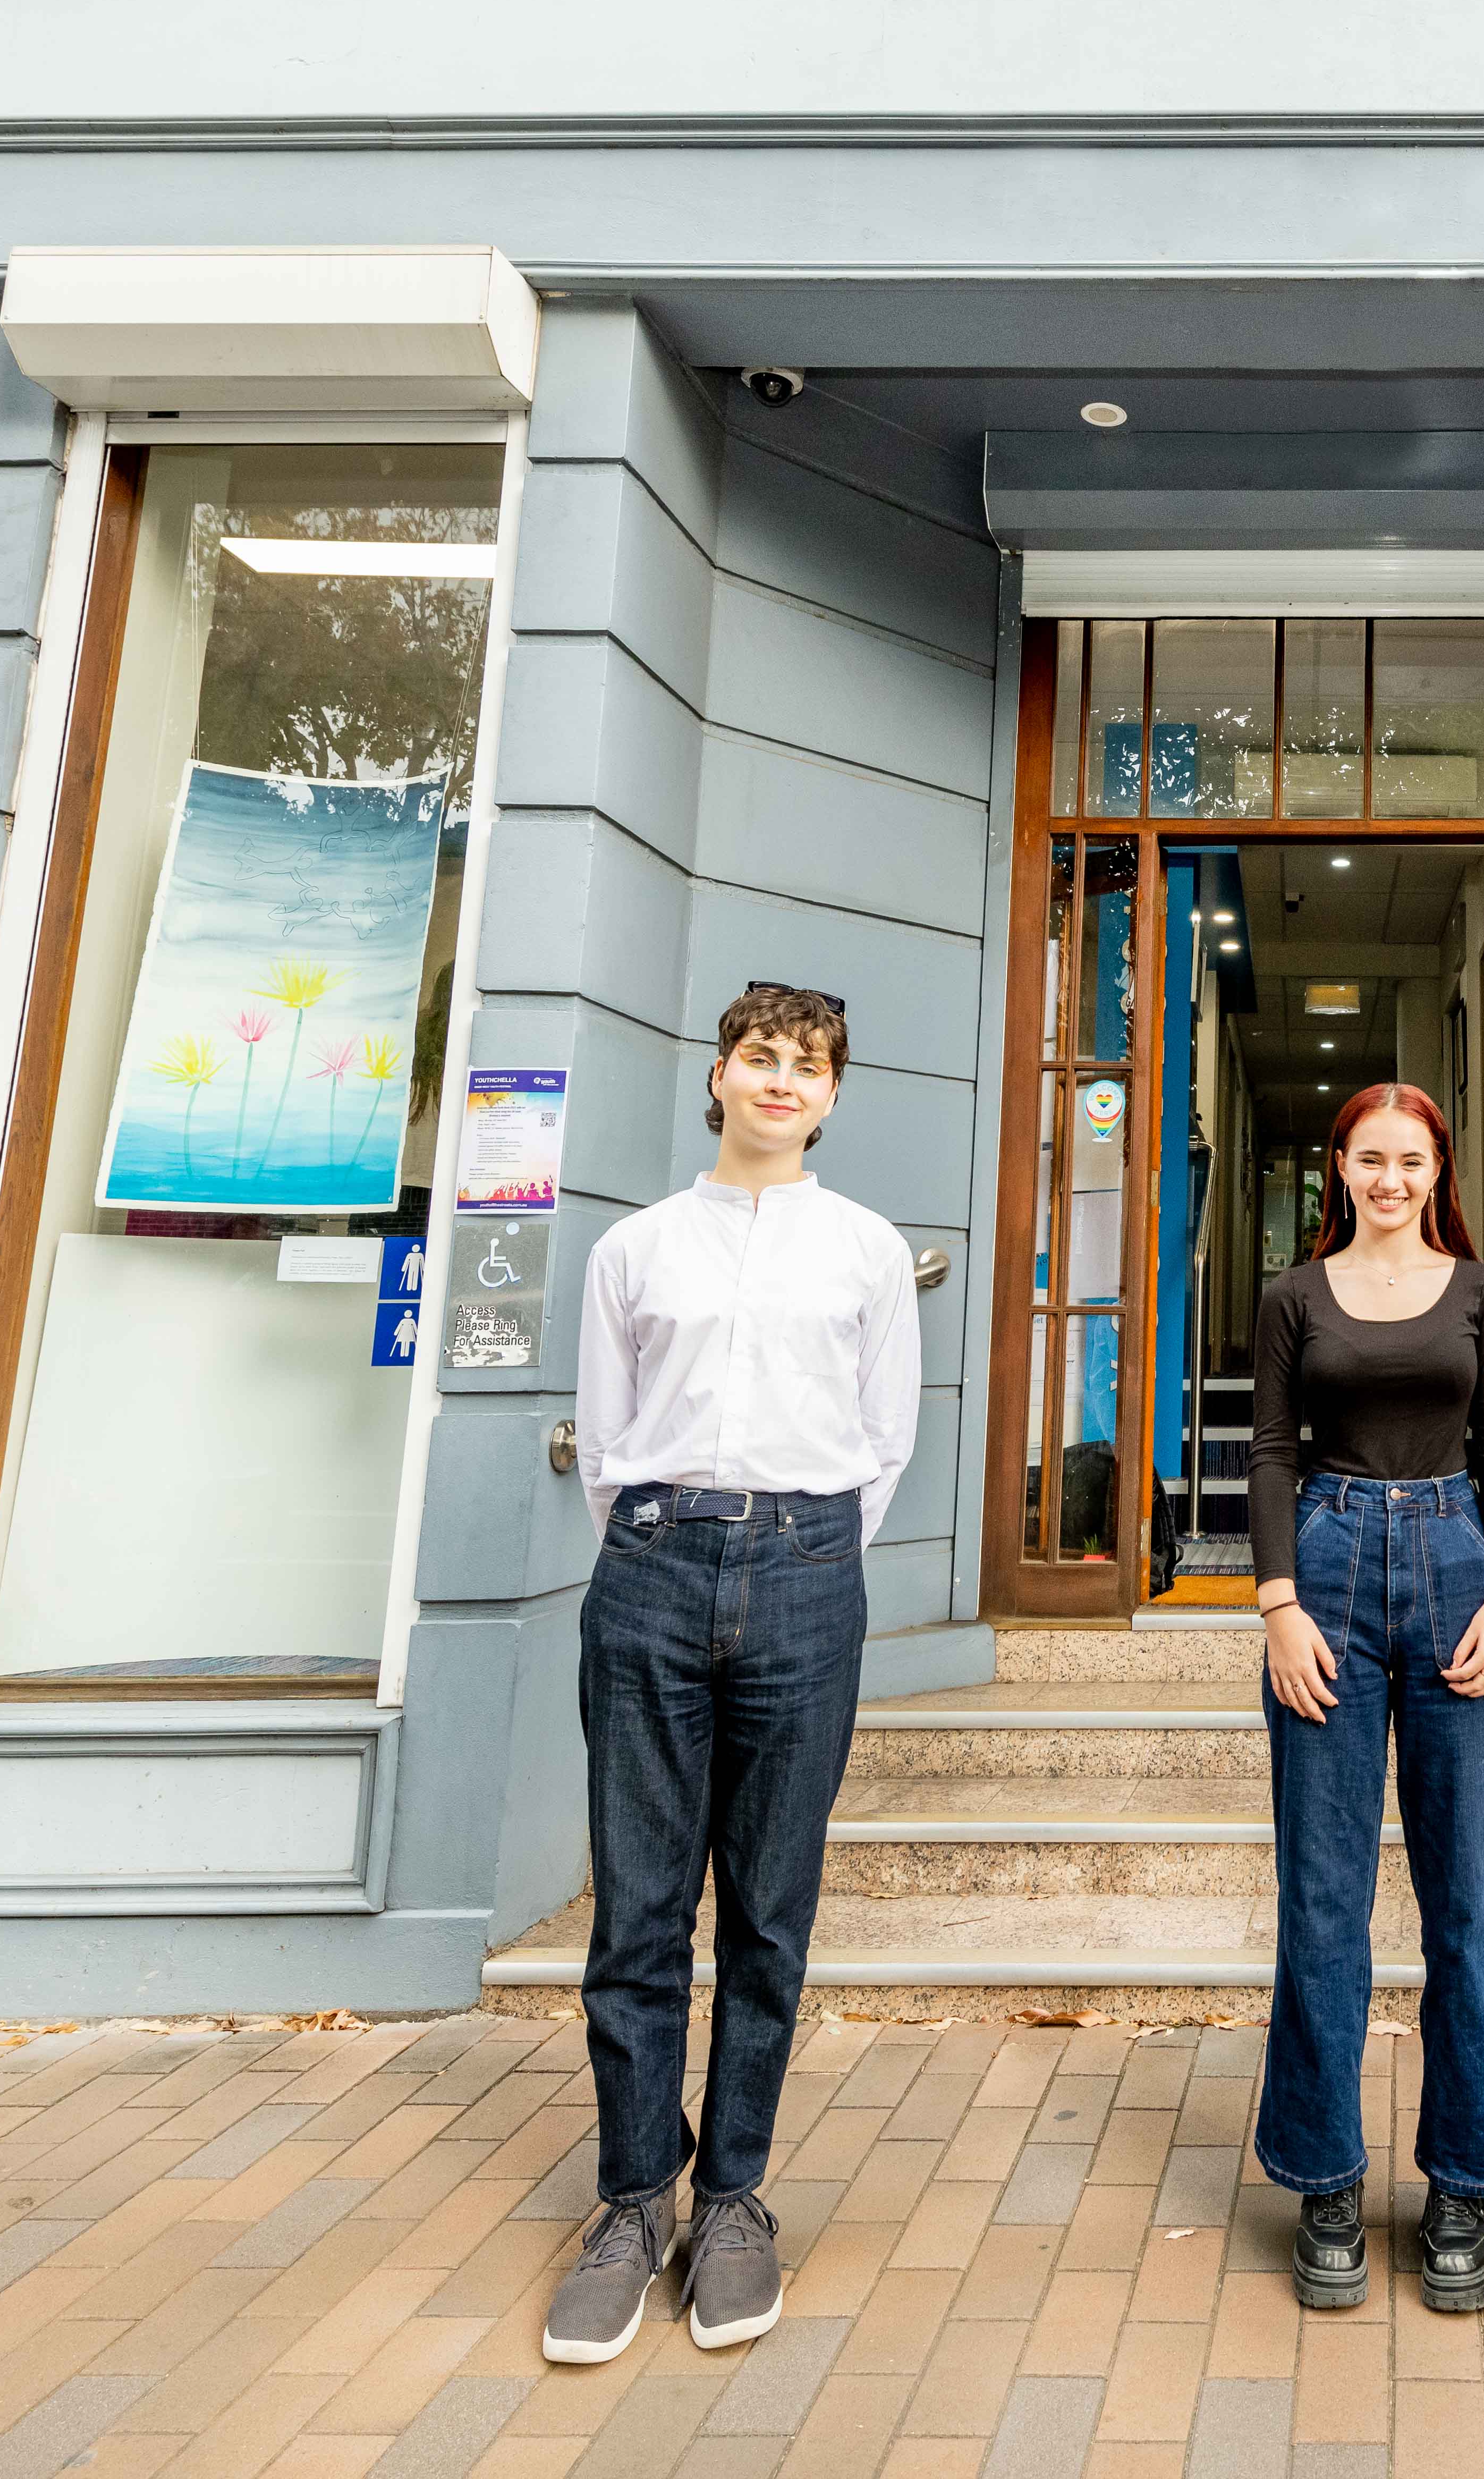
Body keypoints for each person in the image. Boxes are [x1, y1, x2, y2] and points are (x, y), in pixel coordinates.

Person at [544, 982, 920, 2366]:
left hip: (809, 1573)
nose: (781, 1082)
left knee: (768, 1913)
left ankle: (735, 2197)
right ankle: (633, 2201)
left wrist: (796, 1551)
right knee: (637, 1910)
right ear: (719, 1075)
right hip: (648, 1561)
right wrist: (667, 1545)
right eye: (760, 1057)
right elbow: (602, 1430)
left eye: (808, 1065)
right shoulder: (634, 1250)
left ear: (831, 1095)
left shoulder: (867, 1252)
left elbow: (883, 1439)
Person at [1248, 1080, 1484, 2315]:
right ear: (1339, 1168)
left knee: (1463, 1891)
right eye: (1369, 1159)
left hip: (1458, 1568)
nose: (1390, 1180)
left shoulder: (1483, 1294)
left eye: (1410, 1160)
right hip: (1326, 1569)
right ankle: (1323, 2176)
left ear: (1437, 1170)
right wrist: (1275, 1606)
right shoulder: (1291, 1295)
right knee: (1322, 1894)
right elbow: (1267, 1451)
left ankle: (1461, 2181)